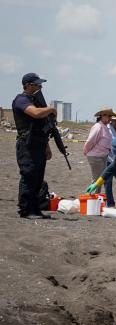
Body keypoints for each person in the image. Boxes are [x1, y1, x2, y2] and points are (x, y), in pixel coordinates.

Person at [11, 73, 58, 219]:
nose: (40, 87)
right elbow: (35, 113)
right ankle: (26, 210)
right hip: (27, 145)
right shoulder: (21, 100)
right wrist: (51, 109)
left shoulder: (35, 101)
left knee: (38, 177)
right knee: (29, 175)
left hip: (39, 144)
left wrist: (47, 147)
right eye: (37, 85)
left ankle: (35, 209)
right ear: (29, 85)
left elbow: (41, 126)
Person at [83, 108, 116, 193]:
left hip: (102, 156)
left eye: (110, 116)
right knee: (97, 180)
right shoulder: (98, 127)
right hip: (96, 157)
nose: (110, 118)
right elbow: (90, 141)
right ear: (102, 116)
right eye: (108, 115)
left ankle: (94, 199)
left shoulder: (105, 127)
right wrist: (86, 151)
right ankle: (92, 199)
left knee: (99, 179)